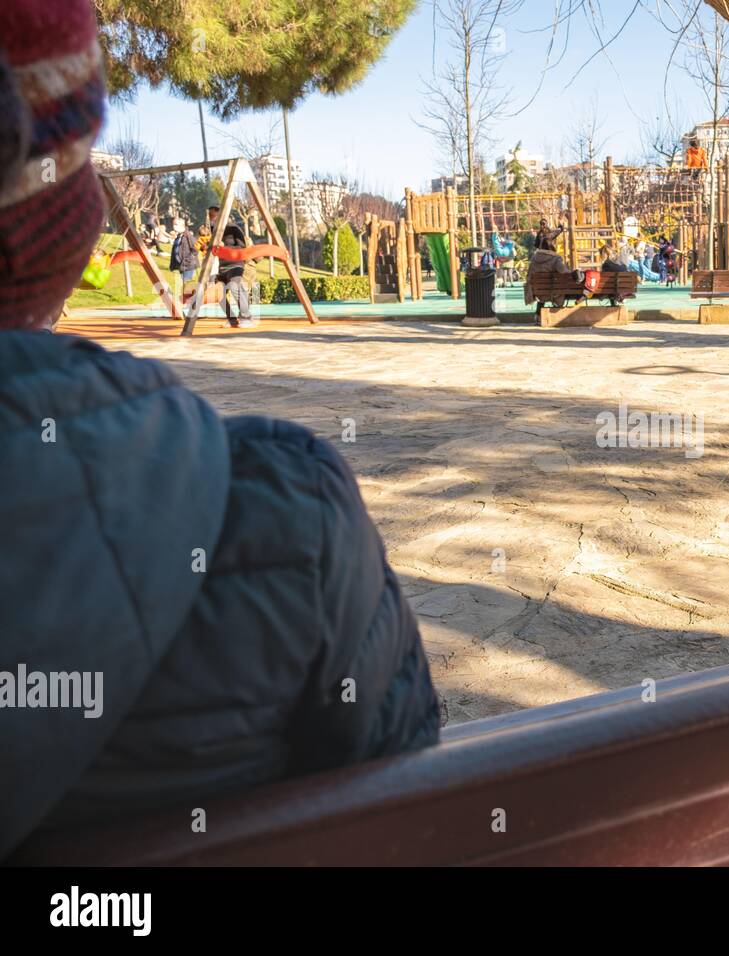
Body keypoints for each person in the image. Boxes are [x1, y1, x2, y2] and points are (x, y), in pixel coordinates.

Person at [0, 0, 442, 859]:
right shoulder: (287, 517)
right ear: (56, 230)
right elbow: (412, 809)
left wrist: (245, 262)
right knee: (232, 290)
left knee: (235, 290)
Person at [215, 221, 256, 327]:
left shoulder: (234, 228)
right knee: (217, 291)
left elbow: (242, 247)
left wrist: (224, 247)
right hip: (222, 267)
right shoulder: (215, 231)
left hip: (236, 265)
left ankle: (246, 317)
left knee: (235, 286)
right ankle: (232, 319)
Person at [168, 215, 199, 289]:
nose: (173, 226)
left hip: (188, 265)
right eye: (173, 224)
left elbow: (195, 250)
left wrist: (187, 261)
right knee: (183, 287)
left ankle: (192, 300)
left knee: (187, 287)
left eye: (175, 224)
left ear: (182, 225)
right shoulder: (179, 236)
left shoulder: (188, 236)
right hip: (181, 266)